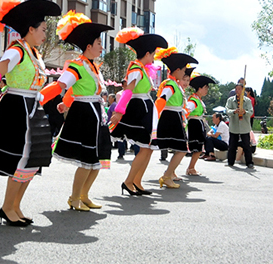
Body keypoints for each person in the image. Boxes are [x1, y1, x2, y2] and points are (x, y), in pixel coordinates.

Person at [0, 0, 61, 226]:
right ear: (30, 29)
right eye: (43, 29)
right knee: (21, 157)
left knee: (33, 158)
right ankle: (8, 207)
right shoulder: (16, 50)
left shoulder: (34, 53)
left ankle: (15, 206)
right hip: (17, 107)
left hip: (32, 107)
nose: (46, 34)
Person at [40, 11, 113, 211]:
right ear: (88, 46)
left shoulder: (94, 67)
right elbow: (62, 84)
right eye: (99, 42)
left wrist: (66, 102)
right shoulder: (77, 66)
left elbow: (76, 90)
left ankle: (84, 194)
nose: (102, 46)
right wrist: (40, 98)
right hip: (85, 115)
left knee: (98, 159)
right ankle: (74, 197)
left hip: (96, 113)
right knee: (86, 160)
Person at [110, 27, 168, 195]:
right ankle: (129, 181)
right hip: (139, 109)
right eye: (153, 53)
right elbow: (128, 90)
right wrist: (119, 111)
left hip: (145, 107)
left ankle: (136, 181)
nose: (154, 57)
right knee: (145, 147)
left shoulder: (141, 68)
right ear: (147, 53)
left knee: (148, 148)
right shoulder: (136, 68)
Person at [151, 48, 198, 189]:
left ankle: (169, 174)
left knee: (181, 149)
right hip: (170, 117)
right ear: (177, 70)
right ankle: (166, 175)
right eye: (184, 70)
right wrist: (154, 118)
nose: (185, 73)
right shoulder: (171, 84)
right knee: (182, 149)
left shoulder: (175, 84)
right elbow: (162, 99)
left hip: (175, 116)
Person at [185, 72, 215, 175]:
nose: (206, 90)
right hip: (194, 124)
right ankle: (190, 168)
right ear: (199, 88)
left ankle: (191, 167)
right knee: (196, 147)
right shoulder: (193, 100)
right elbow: (187, 110)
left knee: (198, 148)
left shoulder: (198, 99)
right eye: (205, 87)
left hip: (198, 123)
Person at [226, 83, 254, 168]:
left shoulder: (247, 100)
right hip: (234, 125)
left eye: (239, 89)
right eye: (236, 89)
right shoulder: (231, 100)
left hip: (244, 125)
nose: (237, 91)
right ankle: (230, 161)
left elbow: (251, 112)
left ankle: (249, 162)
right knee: (232, 145)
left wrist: (245, 112)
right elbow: (227, 110)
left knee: (246, 145)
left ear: (243, 90)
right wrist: (234, 111)